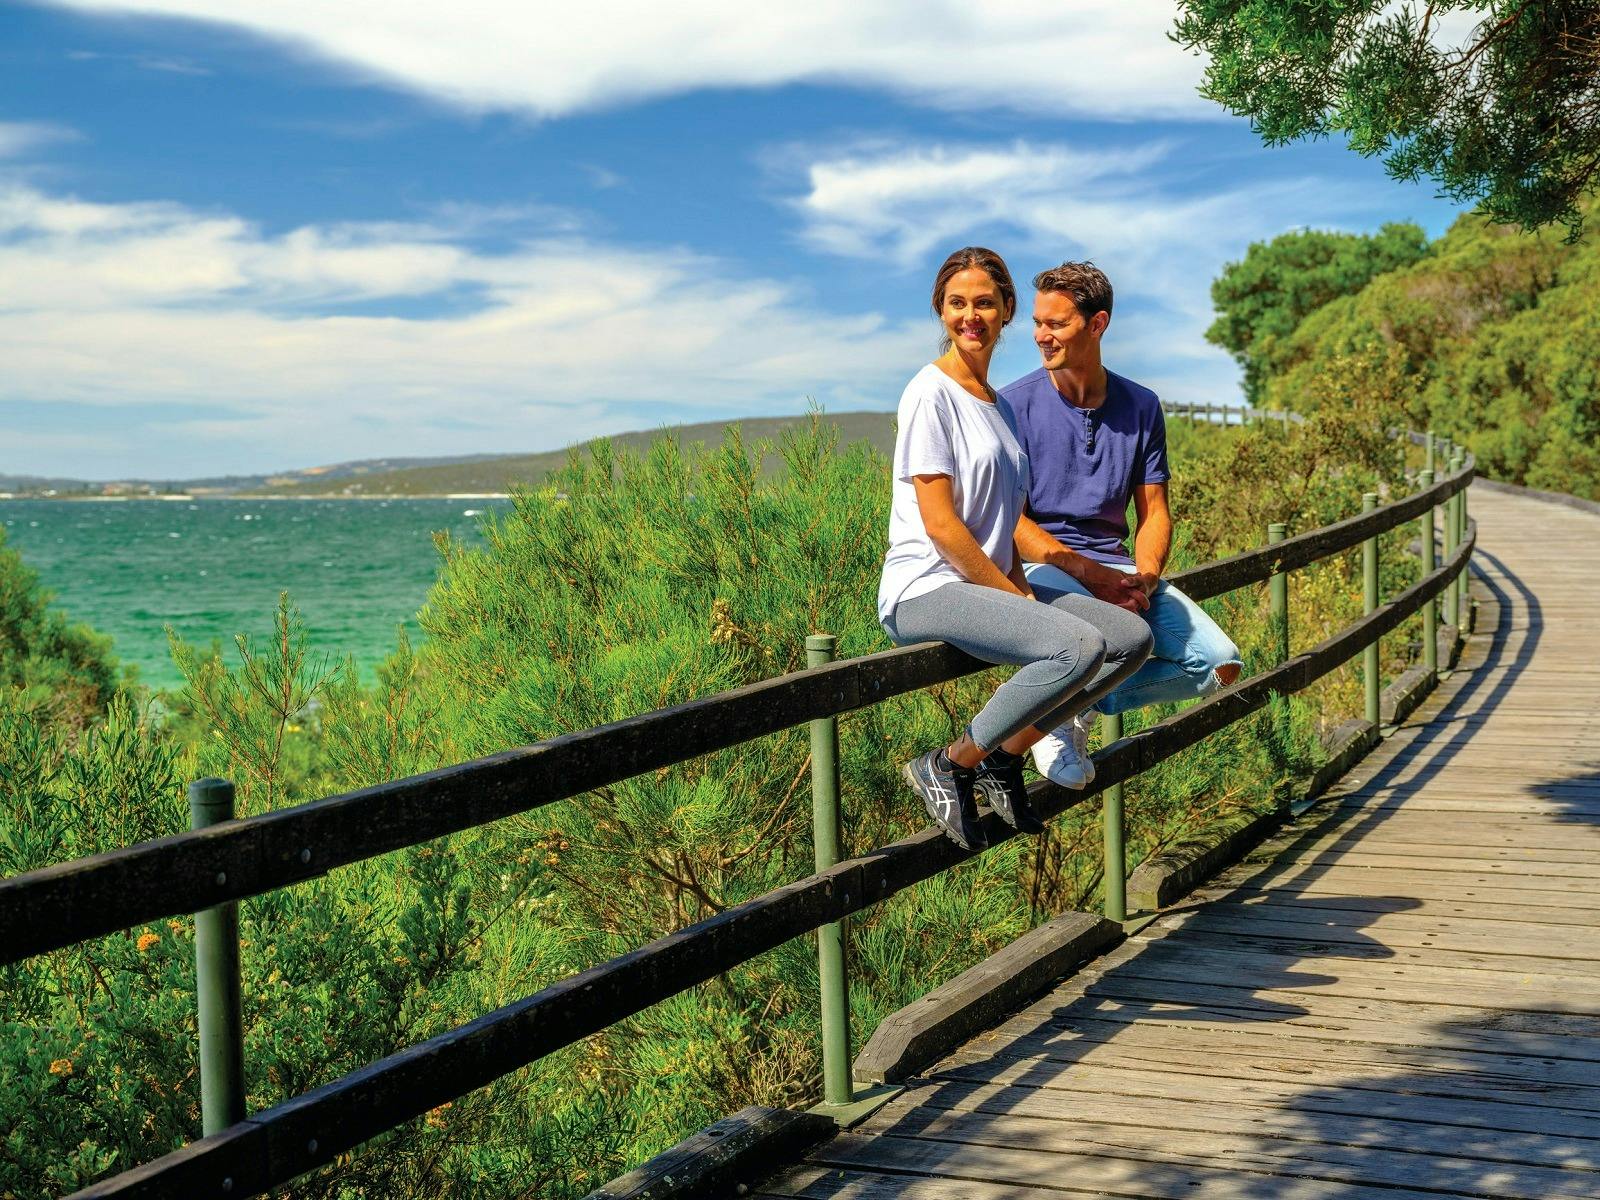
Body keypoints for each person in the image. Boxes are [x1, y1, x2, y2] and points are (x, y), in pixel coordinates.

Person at [877, 247, 1154, 851]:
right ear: (940, 311)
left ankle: (1006, 755)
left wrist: (1022, 589)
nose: (970, 316)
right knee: (1075, 645)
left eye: (984, 303)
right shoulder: (929, 393)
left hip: (983, 580)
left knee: (1130, 641)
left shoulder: (998, 405)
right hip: (925, 587)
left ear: (1006, 311)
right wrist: (1018, 600)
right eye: (956, 304)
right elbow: (944, 527)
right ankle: (951, 762)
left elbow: (1001, 522)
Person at [1001, 261, 1242, 790]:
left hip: (1119, 569)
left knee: (1219, 664)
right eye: (1038, 323)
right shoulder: (1012, 405)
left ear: (1097, 323)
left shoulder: (1141, 406)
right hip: (1046, 567)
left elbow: (1154, 510)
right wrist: (1093, 578)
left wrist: (1147, 577)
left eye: (1056, 323)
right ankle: (1055, 713)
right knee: (1107, 638)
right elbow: (1011, 524)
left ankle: (1066, 701)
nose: (1041, 335)